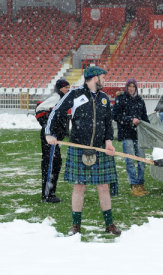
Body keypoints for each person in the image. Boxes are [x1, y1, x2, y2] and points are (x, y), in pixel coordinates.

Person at [45, 66, 121, 236]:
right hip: (79, 147)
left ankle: (109, 225)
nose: (105, 80)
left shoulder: (104, 98)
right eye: (103, 77)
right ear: (94, 78)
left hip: (100, 148)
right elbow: (56, 112)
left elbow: (108, 123)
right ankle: (76, 226)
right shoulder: (75, 94)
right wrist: (49, 133)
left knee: (103, 186)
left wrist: (109, 142)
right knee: (79, 187)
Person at [112, 78, 150, 197]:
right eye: (129, 86)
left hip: (138, 134)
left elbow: (144, 116)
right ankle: (133, 185)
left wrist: (148, 127)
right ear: (126, 87)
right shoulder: (121, 99)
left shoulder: (140, 100)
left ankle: (140, 183)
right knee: (130, 160)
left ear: (136, 88)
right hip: (126, 133)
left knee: (142, 161)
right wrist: (129, 120)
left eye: (133, 87)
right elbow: (115, 115)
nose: (131, 89)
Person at [35, 79, 70, 203]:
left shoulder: (63, 99)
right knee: (50, 164)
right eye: (66, 87)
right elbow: (39, 110)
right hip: (50, 137)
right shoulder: (55, 98)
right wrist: (47, 127)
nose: (68, 89)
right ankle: (47, 195)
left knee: (56, 163)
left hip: (55, 137)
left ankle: (50, 192)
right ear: (60, 88)